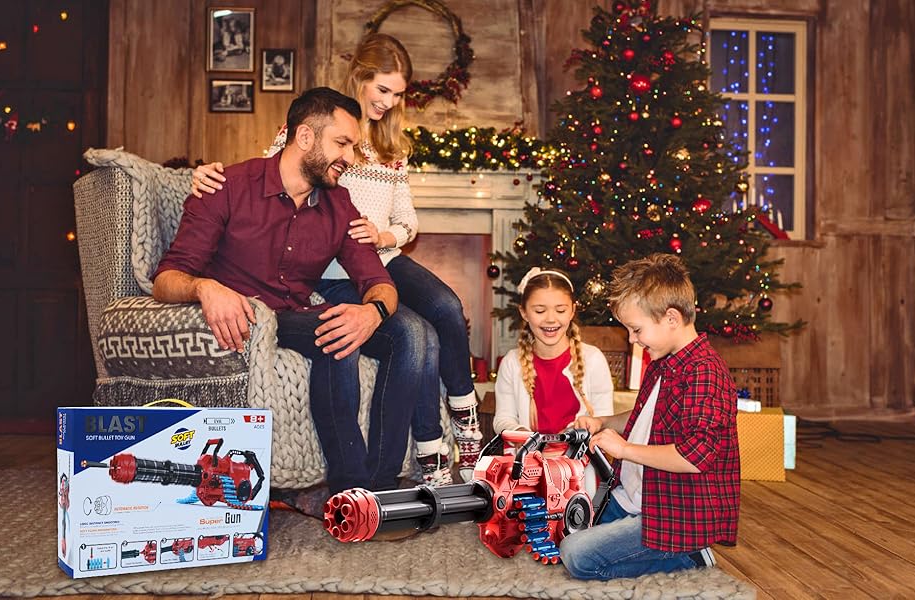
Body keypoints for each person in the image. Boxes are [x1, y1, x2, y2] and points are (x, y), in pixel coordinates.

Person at [191, 33, 483, 485]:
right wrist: (211, 173)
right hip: (326, 275)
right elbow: (270, 173)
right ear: (360, 80)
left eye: (397, 94)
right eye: (382, 89)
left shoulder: (380, 158)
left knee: (441, 309)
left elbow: (402, 229)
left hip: (374, 254)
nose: (388, 101)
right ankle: (399, 465)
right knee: (405, 330)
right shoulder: (291, 152)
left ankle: (446, 430)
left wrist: (382, 247)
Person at [153, 86, 430, 496]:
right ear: (304, 137)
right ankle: (351, 489)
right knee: (337, 337)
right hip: (247, 317)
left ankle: (381, 484)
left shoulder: (340, 205)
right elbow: (166, 279)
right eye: (341, 143)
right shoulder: (228, 186)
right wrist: (204, 288)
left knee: (406, 332)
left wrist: (371, 312)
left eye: (352, 147)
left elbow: (379, 283)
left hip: (294, 314)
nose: (349, 159)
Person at [559, 253, 740, 580]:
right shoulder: (663, 361)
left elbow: (694, 456)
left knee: (576, 556)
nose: (632, 339)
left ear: (671, 318)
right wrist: (602, 422)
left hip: (674, 515)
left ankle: (689, 556)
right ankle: (645, 540)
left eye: (636, 329)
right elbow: (644, 418)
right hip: (633, 499)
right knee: (561, 528)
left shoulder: (704, 373)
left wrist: (624, 450)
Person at [492, 267, 615, 495]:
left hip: (578, 472)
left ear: (572, 311)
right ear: (524, 313)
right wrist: (519, 433)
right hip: (528, 469)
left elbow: (605, 419)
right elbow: (503, 418)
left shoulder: (593, 359)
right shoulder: (512, 362)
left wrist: (592, 425)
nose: (551, 319)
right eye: (539, 310)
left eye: (560, 310)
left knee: (575, 528)